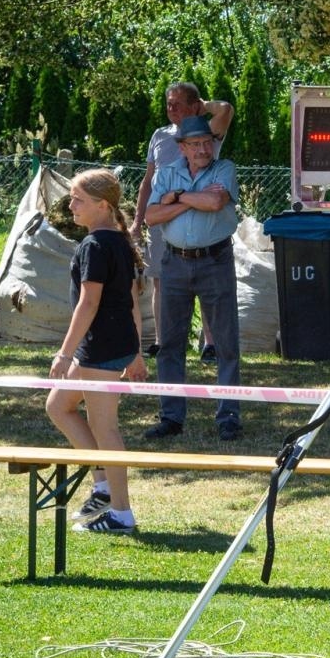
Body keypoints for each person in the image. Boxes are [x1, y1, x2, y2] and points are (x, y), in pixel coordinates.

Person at [47, 169, 148, 535]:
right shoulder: (118, 240)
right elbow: (131, 301)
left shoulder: (96, 245)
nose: (71, 205)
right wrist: (135, 351)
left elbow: (89, 304)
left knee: (105, 428)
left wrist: (64, 353)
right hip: (110, 345)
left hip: (101, 348)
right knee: (58, 406)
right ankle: (103, 485)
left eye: (79, 200)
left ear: (103, 206)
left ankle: (122, 514)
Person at [143, 113, 242, 441]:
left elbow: (215, 201)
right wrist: (187, 200)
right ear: (182, 148)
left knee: (226, 342)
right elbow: (151, 215)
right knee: (170, 343)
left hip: (215, 261)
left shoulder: (224, 169)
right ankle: (171, 416)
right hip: (174, 264)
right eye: (195, 144)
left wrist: (179, 197)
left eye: (207, 142)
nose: (203, 149)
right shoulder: (167, 172)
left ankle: (229, 415)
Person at [133, 83, 232, 359]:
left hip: (199, 218)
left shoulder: (206, 131)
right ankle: (164, 341)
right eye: (168, 103)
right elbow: (147, 182)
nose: (171, 109)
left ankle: (210, 344)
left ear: (194, 105)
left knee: (204, 284)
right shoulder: (159, 136)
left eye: (177, 103)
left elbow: (226, 109)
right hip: (163, 220)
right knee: (160, 282)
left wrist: (204, 106)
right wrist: (138, 220)